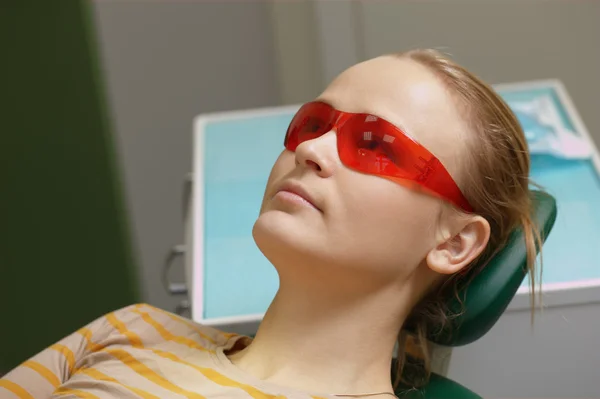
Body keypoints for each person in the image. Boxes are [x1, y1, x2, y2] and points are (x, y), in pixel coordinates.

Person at [0, 49, 541, 399]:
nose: (311, 148)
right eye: (314, 122)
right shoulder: (135, 329)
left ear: (454, 242)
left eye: (375, 145)